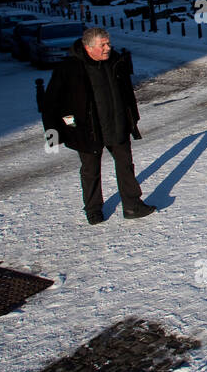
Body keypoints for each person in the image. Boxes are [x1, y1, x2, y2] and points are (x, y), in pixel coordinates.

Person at [41, 26, 156, 225]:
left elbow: (127, 93)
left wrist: (132, 118)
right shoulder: (69, 69)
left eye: (108, 43)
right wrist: (55, 133)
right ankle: (93, 210)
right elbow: (51, 103)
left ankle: (132, 205)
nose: (108, 48)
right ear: (88, 47)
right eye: (103, 45)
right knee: (90, 171)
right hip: (88, 131)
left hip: (117, 124)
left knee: (125, 165)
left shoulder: (116, 61)